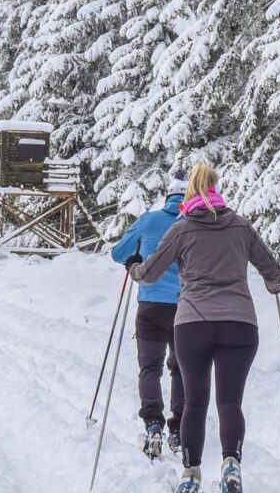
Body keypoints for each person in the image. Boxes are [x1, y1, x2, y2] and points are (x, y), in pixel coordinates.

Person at [126, 162, 280, 493]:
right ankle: (231, 463)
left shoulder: (182, 229)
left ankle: (191, 473)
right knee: (230, 402)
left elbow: (151, 272)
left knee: (196, 402)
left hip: (193, 324)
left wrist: (135, 269)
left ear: (189, 194)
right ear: (216, 189)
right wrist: (273, 284)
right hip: (240, 325)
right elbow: (271, 268)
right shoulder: (241, 226)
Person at [109, 171, 189, 459]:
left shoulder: (149, 220)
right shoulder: (193, 223)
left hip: (151, 306)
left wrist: (135, 260)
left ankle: (153, 423)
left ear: (167, 196)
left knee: (150, 368)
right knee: (180, 369)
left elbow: (119, 253)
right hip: (185, 308)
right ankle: (178, 429)